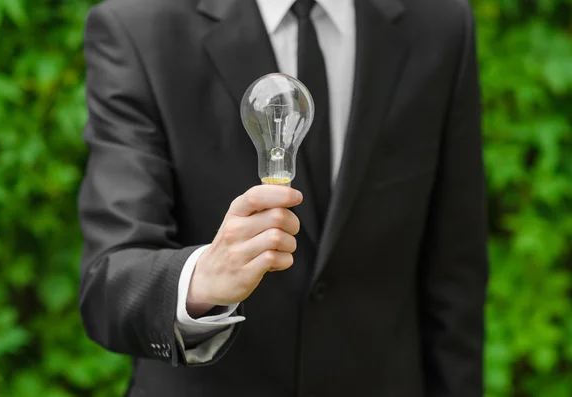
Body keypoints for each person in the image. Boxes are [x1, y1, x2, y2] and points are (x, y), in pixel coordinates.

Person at [78, 0, 488, 395]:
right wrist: (201, 278)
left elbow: (455, 275)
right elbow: (109, 282)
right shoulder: (140, 28)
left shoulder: (439, 24)